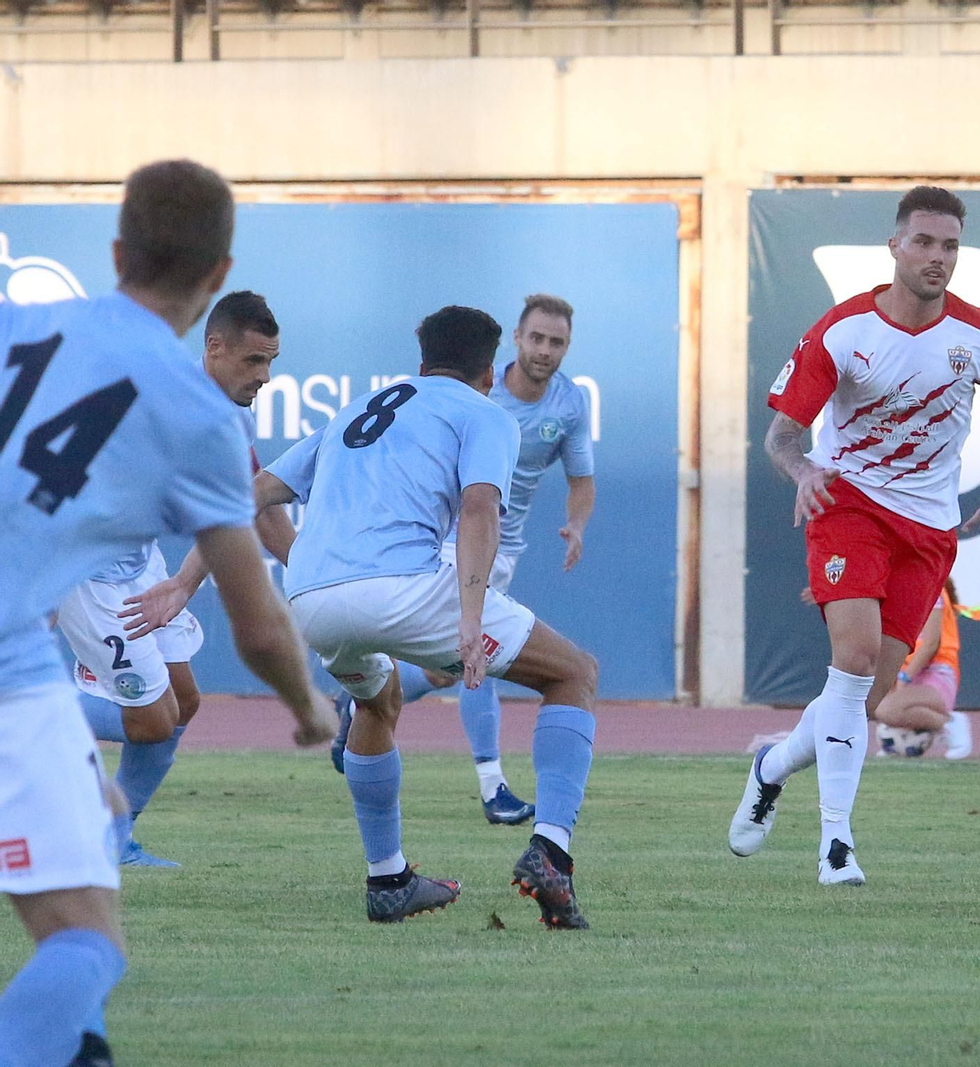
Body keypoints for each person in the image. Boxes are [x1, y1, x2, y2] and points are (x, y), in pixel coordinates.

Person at [0, 160, 334, 1067]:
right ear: (220, 272)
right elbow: (260, 623)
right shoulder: (195, 410)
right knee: (85, 943)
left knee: (100, 804)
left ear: (116, 251)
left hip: (23, 659)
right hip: (9, 666)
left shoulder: (20, 326)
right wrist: (310, 709)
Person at [255, 305, 600, 928]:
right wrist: (471, 618)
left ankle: (388, 880)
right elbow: (477, 509)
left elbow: (250, 497)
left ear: (421, 363)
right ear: (490, 372)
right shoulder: (483, 412)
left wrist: (180, 582)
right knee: (573, 674)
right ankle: (552, 852)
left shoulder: (357, 409)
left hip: (309, 597)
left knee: (378, 704)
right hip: (403, 587)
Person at [729, 185, 980, 885]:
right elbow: (780, 435)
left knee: (863, 698)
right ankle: (836, 843)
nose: (937, 257)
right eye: (923, 242)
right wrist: (802, 470)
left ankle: (771, 766)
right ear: (894, 245)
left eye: (949, 245)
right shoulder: (842, 330)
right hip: (848, 503)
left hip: (929, 524)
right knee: (856, 657)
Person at [336, 294, 596, 828]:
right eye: (537, 338)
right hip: (454, 535)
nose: (545, 351)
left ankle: (367, 697)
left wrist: (577, 523)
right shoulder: (479, 389)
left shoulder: (569, 405)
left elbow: (582, 480)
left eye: (557, 342)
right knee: (483, 653)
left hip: (505, 542)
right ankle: (493, 785)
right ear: (517, 341)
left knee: (444, 669)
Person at [66, 290, 292, 868]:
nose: (264, 376)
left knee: (183, 702)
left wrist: (317, 571)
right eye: (253, 361)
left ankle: (114, 840)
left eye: (271, 362)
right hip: (87, 570)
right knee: (152, 720)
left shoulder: (223, 416)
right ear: (214, 347)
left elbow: (258, 507)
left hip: (139, 564)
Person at [873, 577, 972, 760]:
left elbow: (931, 645)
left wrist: (904, 678)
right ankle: (897, 742)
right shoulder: (896, 593)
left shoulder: (930, 590)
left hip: (937, 673)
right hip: (909, 671)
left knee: (885, 709)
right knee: (874, 703)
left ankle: (949, 724)